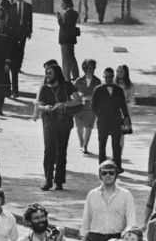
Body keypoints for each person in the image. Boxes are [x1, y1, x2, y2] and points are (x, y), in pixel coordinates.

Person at [80, 160, 137, 241]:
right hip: (96, 240)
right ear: (100, 176)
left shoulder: (125, 194)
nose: (108, 176)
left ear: (116, 175)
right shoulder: (92, 194)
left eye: (111, 173)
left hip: (116, 239)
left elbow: (131, 222)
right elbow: (86, 220)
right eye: (104, 173)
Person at [34, 63, 80, 191]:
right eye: (46, 73)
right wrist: (46, 107)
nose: (47, 76)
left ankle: (59, 181)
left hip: (64, 122)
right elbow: (39, 105)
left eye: (50, 73)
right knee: (49, 150)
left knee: (61, 151)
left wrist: (64, 104)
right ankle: (48, 180)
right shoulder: (44, 88)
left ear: (57, 75)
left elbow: (78, 100)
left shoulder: (67, 85)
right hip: (49, 121)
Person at [90, 67, 131, 171]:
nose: (108, 79)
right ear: (103, 76)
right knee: (102, 144)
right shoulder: (98, 89)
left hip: (116, 120)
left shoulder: (118, 90)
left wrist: (126, 117)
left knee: (116, 145)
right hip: (103, 121)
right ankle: (102, 166)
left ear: (113, 77)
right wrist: (101, 114)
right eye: (106, 77)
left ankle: (117, 166)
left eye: (111, 77)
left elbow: (123, 105)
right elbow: (93, 106)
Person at [72, 59, 102, 154]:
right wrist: (78, 95)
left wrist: (92, 97)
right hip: (79, 107)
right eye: (89, 68)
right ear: (84, 69)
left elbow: (100, 94)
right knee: (79, 127)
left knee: (89, 127)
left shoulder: (97, 81)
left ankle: (85, 146)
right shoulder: (79, 80)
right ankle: (81, 141)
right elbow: (72, 92)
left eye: (92, 68)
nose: (91, 70)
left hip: (91, 108)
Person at [55, 0, 80, 80]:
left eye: (63, 4)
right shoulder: (73, 13)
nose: (62, 6)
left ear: (67, 4)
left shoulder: (69, 13)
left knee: (66, 59)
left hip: (66, 39)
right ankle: (75, 75)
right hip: (70, 39)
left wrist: (59, 19)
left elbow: (64, 26)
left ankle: (66, 76)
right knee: (71, 58)